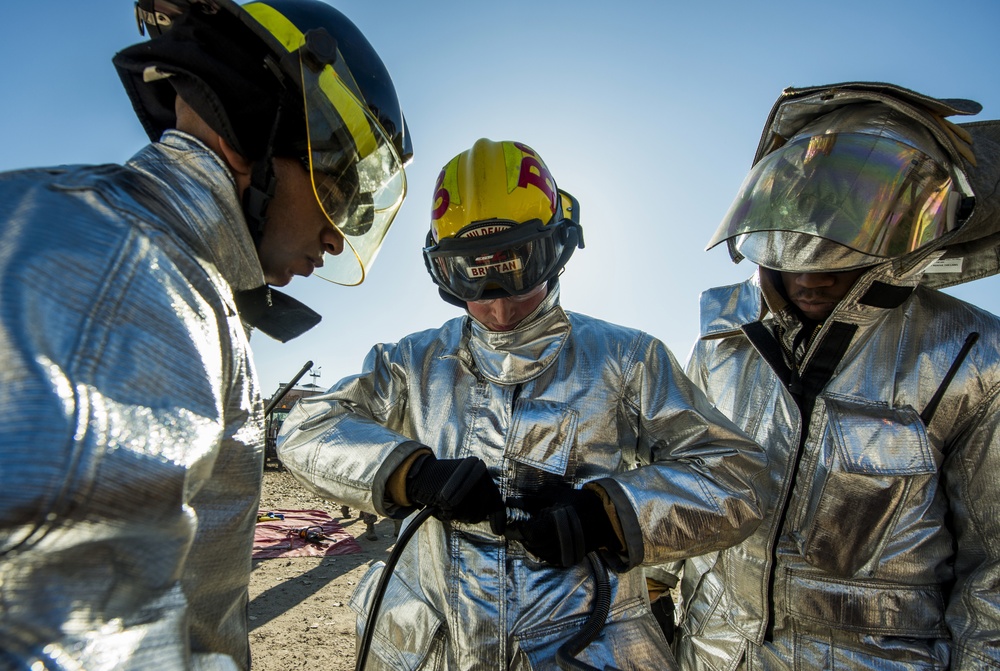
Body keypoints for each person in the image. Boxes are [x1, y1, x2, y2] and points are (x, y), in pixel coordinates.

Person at [0, 0, 411, 668]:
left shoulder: (142, 255)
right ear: (254, 126)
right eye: (339, 188)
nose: (337, 237)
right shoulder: (134, 284)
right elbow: (63, 641)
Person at [276, 138, 767, 670]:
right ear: (441, 272)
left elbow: (735, 479)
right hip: (430, 650)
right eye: (470, 272)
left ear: (557, 250)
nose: (498, 301)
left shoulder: (627, 359)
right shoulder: (410, 363)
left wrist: (608, 516)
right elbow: (305, 428)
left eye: (515, 265)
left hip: (582, 647)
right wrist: (409, 475)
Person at [672, 82, 1000, 670]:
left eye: (851, 233)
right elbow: (680, 489)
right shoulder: (719, 342)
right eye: (800, 226)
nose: (812, 272)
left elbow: (994, 573)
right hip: (711, 655)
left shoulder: (974, 356)